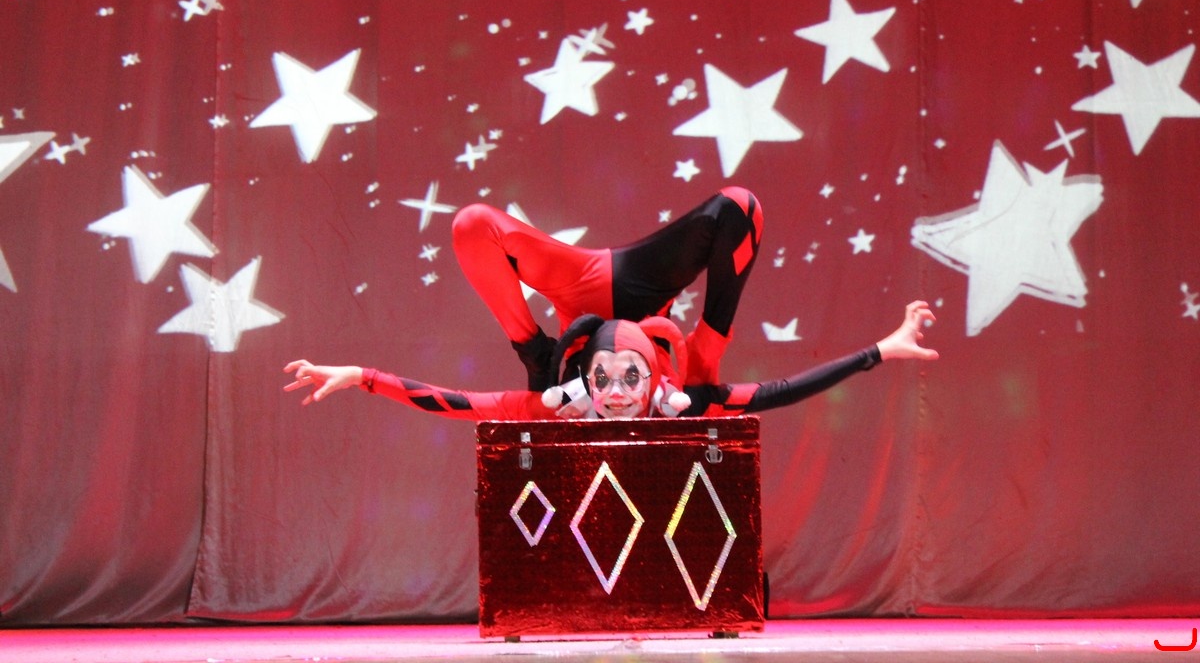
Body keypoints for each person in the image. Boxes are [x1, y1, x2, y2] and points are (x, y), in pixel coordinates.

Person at [283, 301, 939, 421]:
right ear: (584, 379)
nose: (619, 391)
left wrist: (879, 350)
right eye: (605, 378)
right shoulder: (552, 411)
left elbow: (783, 390)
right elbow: (453, 402)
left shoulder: (689, 407)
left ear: (655, 380)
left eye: (632, 377)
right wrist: (362, 377)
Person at [450, 186, 764, 391]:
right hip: (644, 293)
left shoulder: (559, 407)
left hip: (580, 296)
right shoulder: (678, 405)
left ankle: (538, 354)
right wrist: (704, 361)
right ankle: (703, 353)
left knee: (471, 224)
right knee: (740, 207)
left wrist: (535, 361)